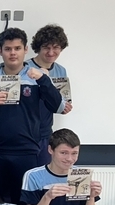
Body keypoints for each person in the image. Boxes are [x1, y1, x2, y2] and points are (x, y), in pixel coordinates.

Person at [0, 28, 62, 204]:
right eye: (8, 49)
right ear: (0, 52)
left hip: (25, 151)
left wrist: (43, 80)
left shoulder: (37, 77)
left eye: (17, 48)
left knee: (24, 204)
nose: (12, 53)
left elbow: (57, 106)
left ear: (26, 49)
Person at [28, 25, 72, 166]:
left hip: (46, 134)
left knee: (43, 177)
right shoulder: (24, 68)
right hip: (24, 133)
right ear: (38, 47)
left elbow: (62, 103)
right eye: (46, 47)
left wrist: (65, 106)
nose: (51, 52)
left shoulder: (60, 70)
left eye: (56, 47)